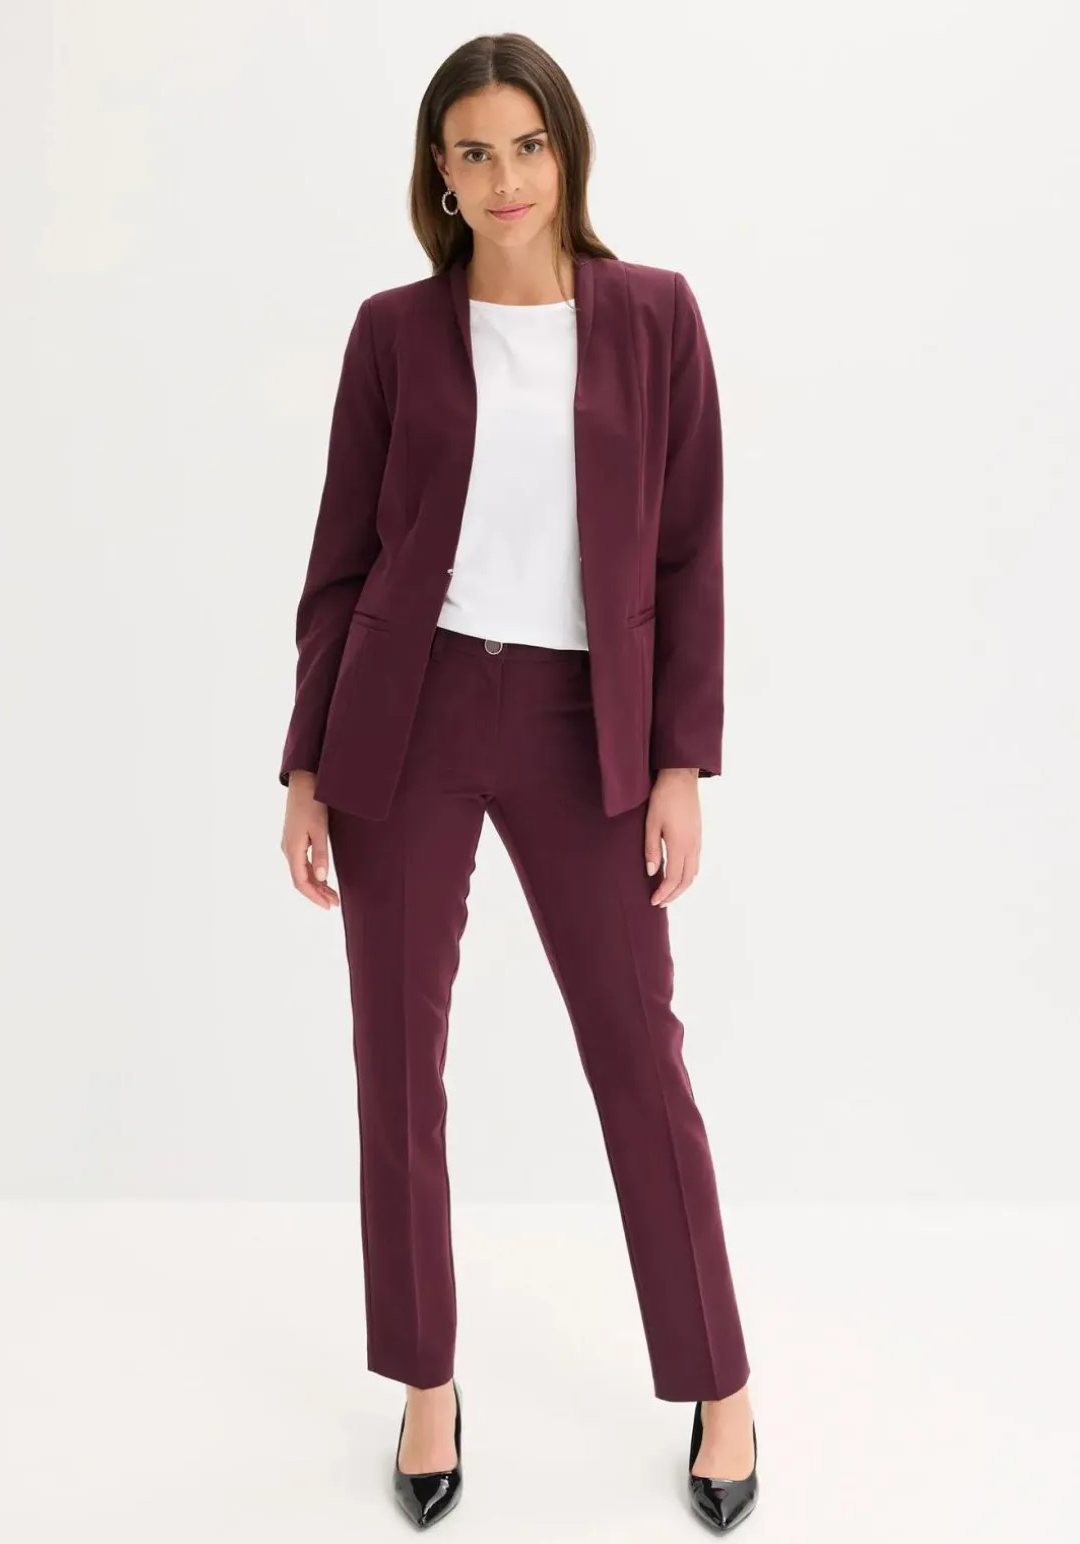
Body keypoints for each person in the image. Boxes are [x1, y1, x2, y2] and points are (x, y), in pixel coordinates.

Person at [278, 31, 759, 1534]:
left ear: (567, 152)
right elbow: (340, 556)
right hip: (405, 716)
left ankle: (718, 1381)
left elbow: (689, 555)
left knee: (637, 1058)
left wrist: (679, 760)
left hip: (582, 724)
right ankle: (425, 1382)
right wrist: (306, 762)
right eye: (473, 152)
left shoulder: (655, 318)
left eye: (527, 146)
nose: (504, 178)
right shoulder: (391, 334)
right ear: (439, 172)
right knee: (395, 1064)